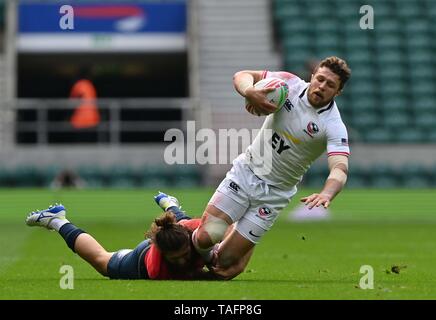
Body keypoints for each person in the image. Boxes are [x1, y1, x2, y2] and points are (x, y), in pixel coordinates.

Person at [191, 56, 352, 279]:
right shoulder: (290, 85)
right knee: (205, 238)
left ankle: (239, 237)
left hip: (275, 194)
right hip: (246, 173)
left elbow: (340, 168)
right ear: (313, 76)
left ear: (338, 92)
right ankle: (192, 226)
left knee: (225, 265)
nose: (322, 86)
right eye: (321, 79)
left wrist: (327, 193)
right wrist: (250, 91)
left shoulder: (333, 125)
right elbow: (242, 75)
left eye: (330, 85)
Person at [25, 192, 218, 280]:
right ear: (164, 254)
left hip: (178, 231)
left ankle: (169, 203)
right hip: (138, 262)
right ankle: (57, 220)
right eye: (176, 259)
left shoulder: (191, 230)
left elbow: (218, 228)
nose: (183, 260)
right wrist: (214, 271)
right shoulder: (156, 269)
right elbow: (191, 274)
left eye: (184, 254)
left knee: (182, 222)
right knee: (102, 260)